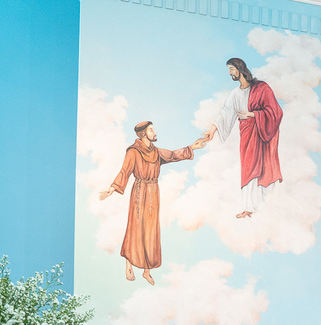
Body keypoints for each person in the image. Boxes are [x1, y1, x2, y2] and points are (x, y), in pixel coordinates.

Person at [99, 122, 206, 285]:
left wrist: (192, 147)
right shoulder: (133, 152)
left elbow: (173, 155)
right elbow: (125, 171)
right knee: (136, 227)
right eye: (151, 130)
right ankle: (129, 264)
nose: (154, 132)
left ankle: (146, 271)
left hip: (153, 193)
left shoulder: (156, 152)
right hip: (139, 191)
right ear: (143, 134)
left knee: (151, 230)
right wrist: (112, 189)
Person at [201, 58, 283, 218]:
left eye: (231, 69)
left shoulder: (262, 88)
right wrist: (212, 129)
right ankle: (249, 207)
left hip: (261, 134)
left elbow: (275, 111)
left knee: (263, 168)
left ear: (239, 69)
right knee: (248, 168)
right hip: (246, 136)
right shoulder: (235, 93)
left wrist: (253, 114)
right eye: (229, 70)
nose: (230, 73)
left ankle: (264, 207)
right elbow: (226, 112)